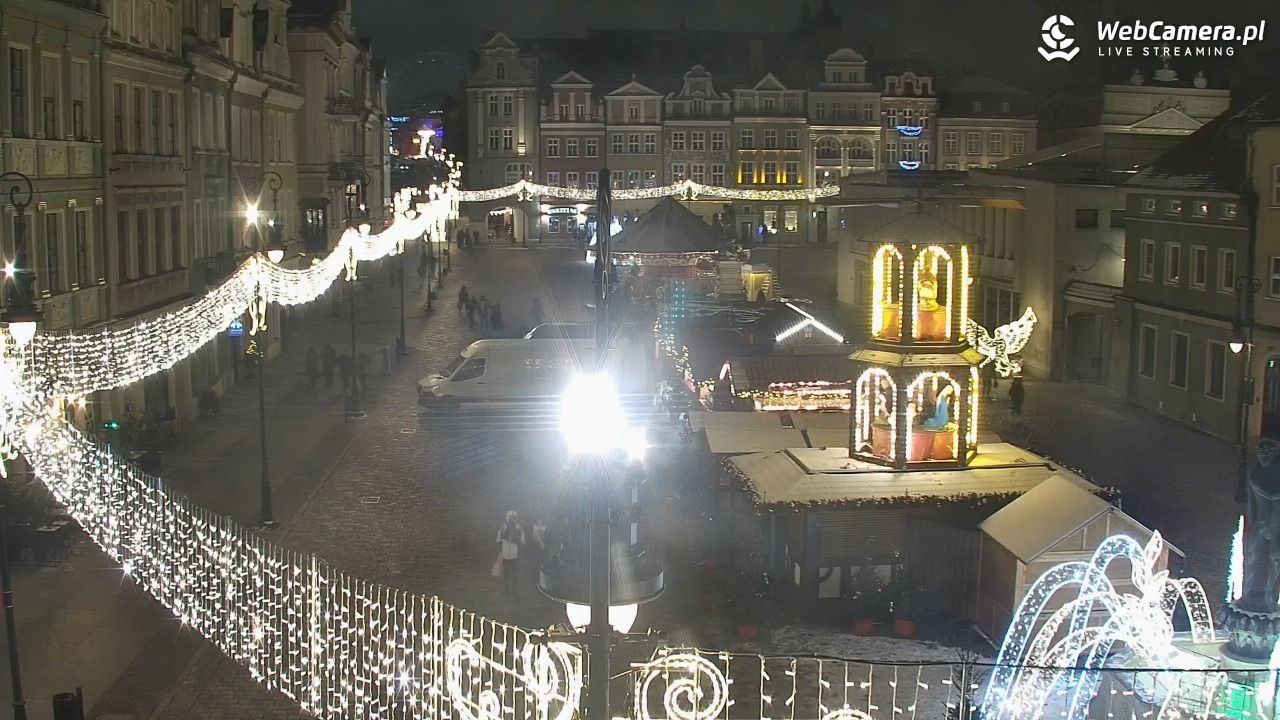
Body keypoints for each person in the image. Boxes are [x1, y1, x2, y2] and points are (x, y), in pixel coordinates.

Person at [495, 511, 525, 598]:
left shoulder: (518, 527)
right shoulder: (504, 526)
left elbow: (522, 539)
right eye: (510, 517)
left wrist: (519, 544)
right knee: (506, 572)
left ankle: (514, 589)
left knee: (514, 572)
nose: (512, 519)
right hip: (505, 553)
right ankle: (506, 588)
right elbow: (499, 537)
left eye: (513, 517)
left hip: (514, 553)